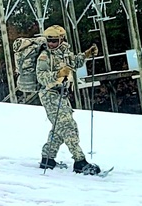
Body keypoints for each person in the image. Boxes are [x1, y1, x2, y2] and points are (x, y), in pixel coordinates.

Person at [35, 25, 99, 174]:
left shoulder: (64, 52)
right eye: (49, 40)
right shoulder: (45, 56)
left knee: (59, 128)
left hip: (62, 94)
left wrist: (87, 54)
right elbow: (41, 77)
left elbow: (74, 62)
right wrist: (58, 74)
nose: (51, 43)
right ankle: (79, 161)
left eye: (54, 40)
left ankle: (47, 158)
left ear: (61, 39)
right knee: (68, 127)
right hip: (49, 94)